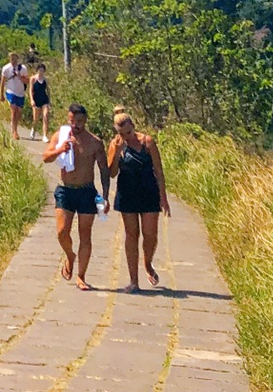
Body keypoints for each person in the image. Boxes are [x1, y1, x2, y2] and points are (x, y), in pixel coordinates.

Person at [42, 102, 109, 290]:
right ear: (68, 119)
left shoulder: (95, 142)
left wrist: (104, 196)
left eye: (79, 121)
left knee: (85, 234)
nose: (75, 125)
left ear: (85, 120)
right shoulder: (60, 136)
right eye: (72, 120)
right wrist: (59, 150)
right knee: (62, 231)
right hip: (65, 189)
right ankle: (70, 255)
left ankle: (81, 276)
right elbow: (45, 157)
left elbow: (104, 170)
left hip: (87, 191)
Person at [108, 107, 170, 292]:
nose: (126, 136)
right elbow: (111, 173)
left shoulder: (147, 142)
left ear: (133, 126)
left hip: (149, 192)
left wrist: (163, 198)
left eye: (128, 132)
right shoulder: (116, 144)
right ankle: (133, 281)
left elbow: (159, 171)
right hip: (127, 193)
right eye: (122, 133)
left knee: (150, 235)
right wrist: (118, 151)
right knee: (131, 235)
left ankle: (148, 263)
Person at [0, 51, 30, 140]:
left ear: (17, 58)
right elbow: (2, 82)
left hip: (20, 92)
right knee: (13, 109)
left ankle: (14, 124)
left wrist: (20, 76)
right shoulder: (6, 68)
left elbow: (27, 81)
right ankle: (15, 131)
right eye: (11, 58)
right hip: (10, 91)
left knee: (19, 111)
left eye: (14, 58)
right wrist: (1, 94)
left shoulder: (22, 68)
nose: (13, 60)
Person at [29, 62, 52, 140]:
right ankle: (33, 129)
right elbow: (30, 90)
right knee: (36, 118)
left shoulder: (45, 79)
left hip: (44, 99)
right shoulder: (33, 79)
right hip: (36, 99)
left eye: (42, 70)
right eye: (40, 70)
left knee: (45, 116)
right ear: (37, 70)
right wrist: (32, 100)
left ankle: (45, 135)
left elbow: (48, 90)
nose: (41, 72)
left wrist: (49, 101)